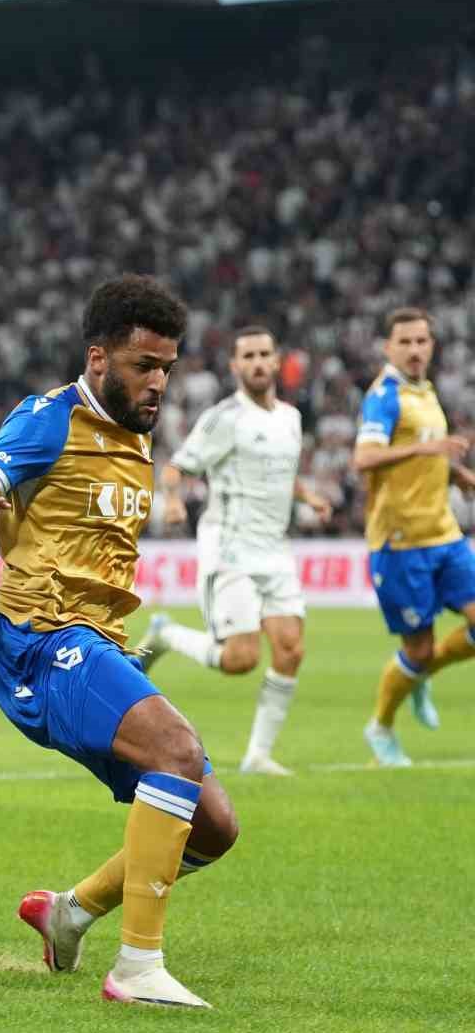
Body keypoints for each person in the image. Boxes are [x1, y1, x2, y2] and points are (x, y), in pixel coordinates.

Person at [0, 274, 238, 1009]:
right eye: (144, 366)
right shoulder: (48, 419)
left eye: (168, 366)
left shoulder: (136, 430)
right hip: (38, 643)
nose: (159, 382)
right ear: (99, 359)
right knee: (178, 753)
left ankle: (69, 911)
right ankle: (137, 968)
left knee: (214, 826)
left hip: (100, 645)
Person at [135, 326, 333, 776]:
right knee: (241, 659)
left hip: (275, 549)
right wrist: (171, 499)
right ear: (235, 366)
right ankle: (165, 635)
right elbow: (178, 467)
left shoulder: (290, 417)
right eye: (249, 355)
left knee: (290, 649)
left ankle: (258, 755)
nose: (258, 362)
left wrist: (308, 497)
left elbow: (280, 476)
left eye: (265, 353)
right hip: (230, 547)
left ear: (277, 360)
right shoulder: (224, 418)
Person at [352, 307, 475, 767]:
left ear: (432, 344)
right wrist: (428, 449)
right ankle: (381, 726)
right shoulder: (384, 396)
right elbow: (363, 459)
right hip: (399, 543)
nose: (415, 349)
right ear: (388, 347)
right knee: (418, 649)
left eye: (422, 341)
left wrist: (456, 473)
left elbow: (426, 455)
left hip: (443, 533)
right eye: (405, 342)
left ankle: (420, 675)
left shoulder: (425, 391)